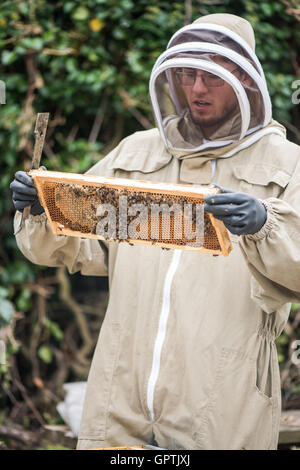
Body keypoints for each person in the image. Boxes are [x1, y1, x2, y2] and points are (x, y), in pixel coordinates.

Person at [10, 13, 300, 450]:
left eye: (211, 77)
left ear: (243, 77)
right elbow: (84, 247)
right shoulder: (137, 151)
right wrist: (43, 207)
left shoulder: (286, 164)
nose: (197, 89)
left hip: (223, 398)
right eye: (186, 75)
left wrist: (266, 226)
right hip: (120, 391)